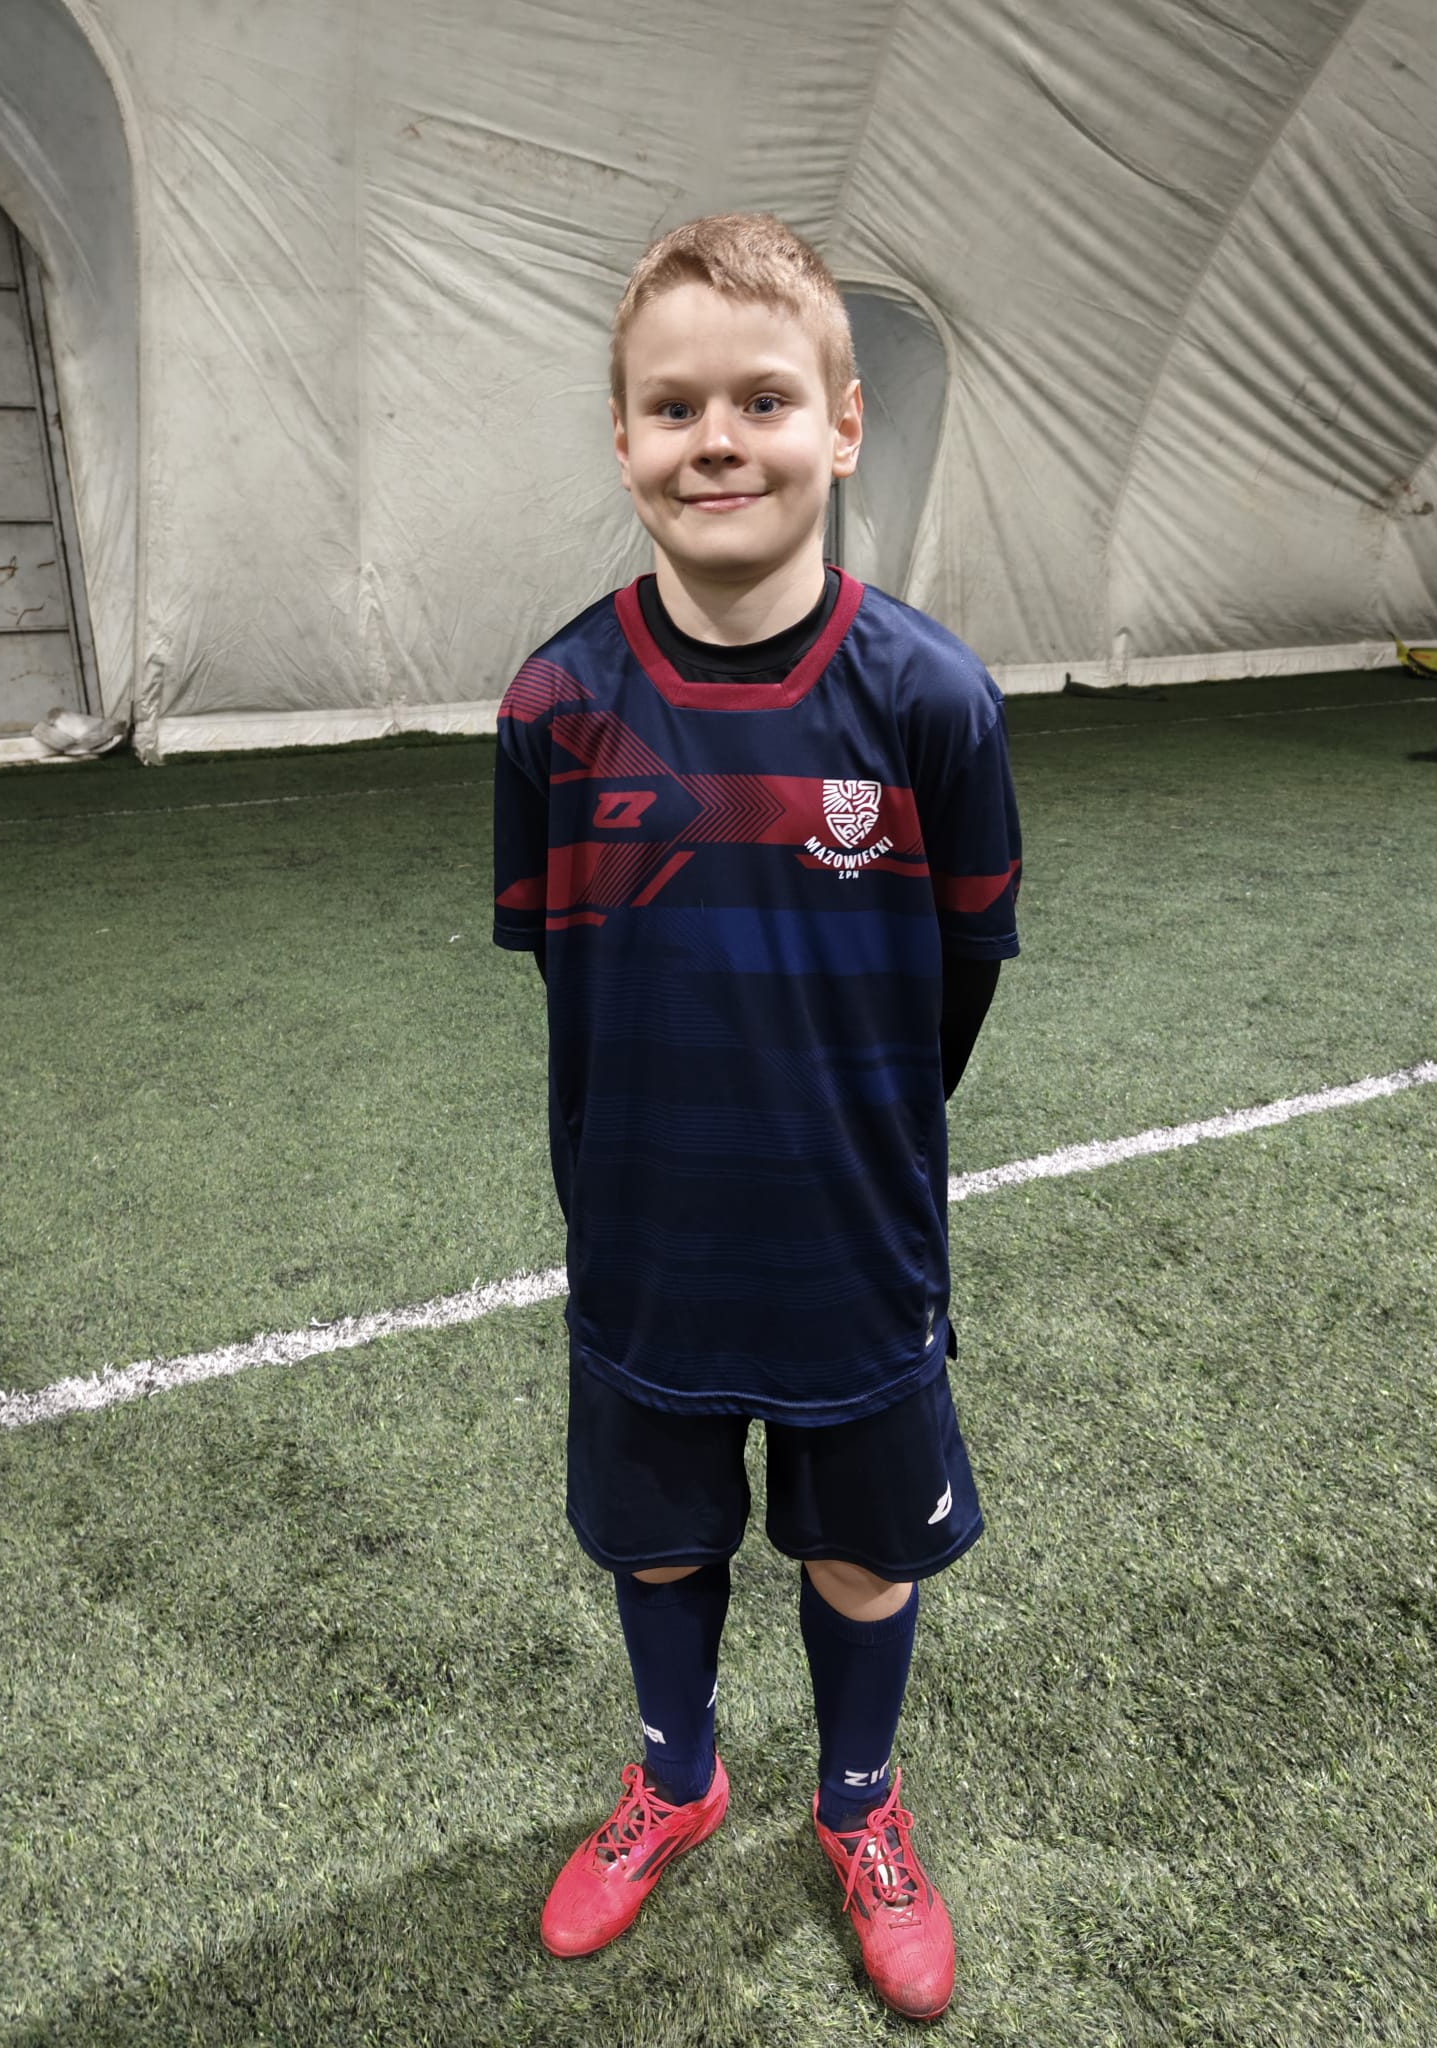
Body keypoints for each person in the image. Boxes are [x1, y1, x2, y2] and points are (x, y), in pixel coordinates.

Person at [491, 212, 1021, 2023]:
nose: (717, 439)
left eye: (764, 399)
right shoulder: (556, 706)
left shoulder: (932, 701)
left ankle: (858, 1805)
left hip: (854, 1241)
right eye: (673, 406)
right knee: (659, 1538)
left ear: (844, 427)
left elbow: (960, 983)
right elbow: (564, 971)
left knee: (862, 1551)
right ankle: (679, 1775)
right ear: (622, 438)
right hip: (646, 1233)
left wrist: (843, 1133)